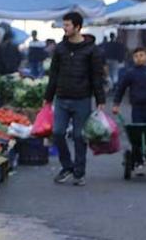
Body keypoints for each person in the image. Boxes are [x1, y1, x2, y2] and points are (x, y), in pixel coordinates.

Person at [44, 12, 106, 187]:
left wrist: (100, 99)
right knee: (57, 133)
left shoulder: (91, 50)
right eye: (64, 25)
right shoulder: (60, 49)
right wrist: (48, 97)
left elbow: (96, 76)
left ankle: (79, 173)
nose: (65, 28)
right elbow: (53, 74)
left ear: (78, 27)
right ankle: (67, 167)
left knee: (79, 136)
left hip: (82, 99)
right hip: (62, 98)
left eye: (68, 25)